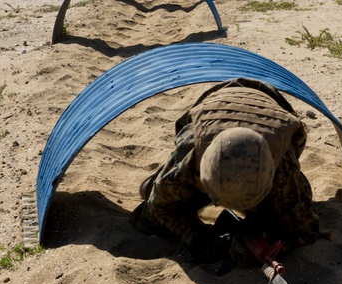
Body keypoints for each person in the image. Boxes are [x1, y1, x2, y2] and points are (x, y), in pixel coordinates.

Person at [130, 78, 321, 266]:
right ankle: (156, 184)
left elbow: (306, 229)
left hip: (273, 108)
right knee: (147, 221)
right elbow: (161, 208)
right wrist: (198, 238)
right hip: (215, 104)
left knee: (281, 221)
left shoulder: (282, 168)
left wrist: (264, 249)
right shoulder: (191, 150)